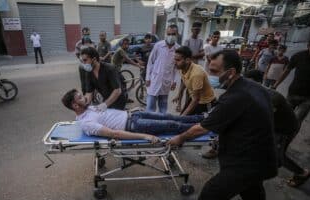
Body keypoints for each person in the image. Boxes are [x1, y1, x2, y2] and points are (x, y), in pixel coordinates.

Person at [168, 50, 277, 200]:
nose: (210, 75)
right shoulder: (253, 86)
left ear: (231, 72)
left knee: (214, 190)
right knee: (252, 188)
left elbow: (202, 127)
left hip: (247, 159)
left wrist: (180, 137)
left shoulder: (235, 98)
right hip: (262, 153)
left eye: (215, 71)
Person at [245, 69, 310, 187]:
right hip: (276, 126)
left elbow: (263, 121)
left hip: (284, 129)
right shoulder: (253, 93)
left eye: (249, 83)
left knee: (278, 156)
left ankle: (302, 173)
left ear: (258, 83)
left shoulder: (271, 97)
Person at [62, 89, 204, 141]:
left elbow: (109, 115)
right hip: (133, 126)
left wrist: (131, 111)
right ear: (75, 106)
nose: (85, 98)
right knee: (172, 125)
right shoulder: (87, 123)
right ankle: (204, 127)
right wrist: (145, 136)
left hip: (133, 115)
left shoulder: (88, 108)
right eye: (80, 98)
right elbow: (114, 134)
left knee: (171, 117)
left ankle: (203, 117)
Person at [273, 36, 310, 126]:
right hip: (293, 93)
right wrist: (275, 85)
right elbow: (286, 71)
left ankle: (288, 139)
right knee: (283, 117)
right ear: (309, 45)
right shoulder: (298, 56)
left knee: (296, 120)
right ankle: (278, 137)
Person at [145, 25, 180, 113]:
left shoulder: (178, 49)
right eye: (169, 34)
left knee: (163, 107)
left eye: (173, 34)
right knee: (150, 108)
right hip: (154, 80)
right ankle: (149, 125)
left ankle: (161, 124)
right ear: (166, 34)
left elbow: (177, 67)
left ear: (177, 34)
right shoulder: (158, 45)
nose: (171, 36)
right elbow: (150, 62)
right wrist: (147, 78)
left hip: (166, 82)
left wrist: (174, 81)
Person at [172, 46, 216, 115]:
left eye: (178, 60)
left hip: (205, 103)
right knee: (182, 119)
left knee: (184, 121)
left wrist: (183, 116)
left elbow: (196, 100)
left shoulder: (196, 74)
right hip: (194, 98)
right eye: (175, 59)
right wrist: (178, 96)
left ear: (187, 60)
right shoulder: (182, 68)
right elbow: (184, 82)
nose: (175, 62)